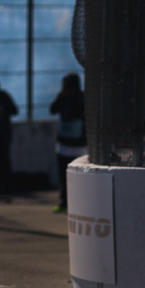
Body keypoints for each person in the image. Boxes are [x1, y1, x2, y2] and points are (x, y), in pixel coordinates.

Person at [49, 73, 85, 212]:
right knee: (63, 174)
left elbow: (82, 114)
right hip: (63, 143)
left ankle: (79, 202)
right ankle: (64, 201)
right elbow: (52, 109)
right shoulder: (62, 98)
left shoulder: (83, 99)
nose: (67, 89)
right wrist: (62, 97)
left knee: (79, 175)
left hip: (79, 144)